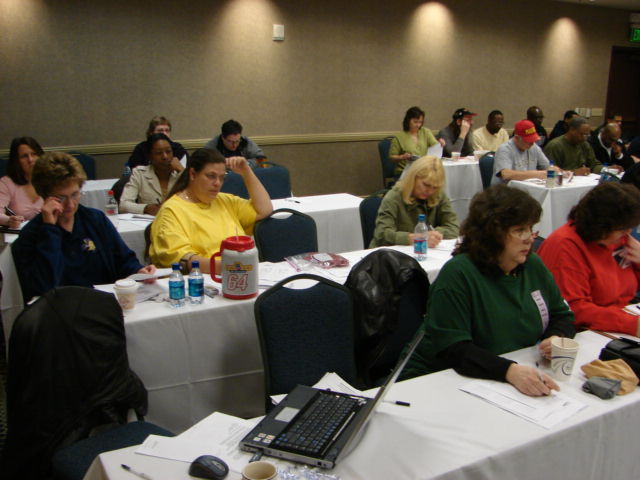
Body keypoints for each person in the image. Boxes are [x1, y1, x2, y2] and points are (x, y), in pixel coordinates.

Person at [402, 185, 576, 397]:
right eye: (519, 230)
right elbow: (453, 349)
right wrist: (509, 371)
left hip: (505, 372)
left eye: (531, 229)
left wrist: (556, 337)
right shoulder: (459, 274)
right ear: (493, 234)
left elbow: (563, 315)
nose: (529, 238)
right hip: (438, 379)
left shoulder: (532, 265)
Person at [12, 152, 155, 302]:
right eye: (61, 198)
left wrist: (138, 270)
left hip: (103, 304)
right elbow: (44, 287)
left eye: (75, 194)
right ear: (45, 196)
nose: (70, 204)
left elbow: (123, 260)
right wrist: (50, 230)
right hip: (60, 309)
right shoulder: (31, 236)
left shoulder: (95, 220)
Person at [538, 182, 640, 336]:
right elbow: (574, 310)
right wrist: (631, 324)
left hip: (620, 318)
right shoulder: (565, 246)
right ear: (601, 225)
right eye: (622, 229)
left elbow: (632, 284)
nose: (628, 232)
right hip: (583, 333)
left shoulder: (617, 238)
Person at [150, 148, 273, 274]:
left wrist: (246, 171)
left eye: (222, 177)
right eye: (211, 176)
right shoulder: (171, 211)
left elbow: (264, 210)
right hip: (202, 278)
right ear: (192, 174)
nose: (217, 183)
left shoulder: (224, 200)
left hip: (237, 272)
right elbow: (183, 259)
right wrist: (233, 267)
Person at [370, 155, 459, 248]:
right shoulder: (394, 197)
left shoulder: (438, 195)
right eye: (426, 185)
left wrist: (435, 234)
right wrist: (415, 238)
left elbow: (453, 227)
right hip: (390, 253)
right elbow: (382, 234)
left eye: (435, 187)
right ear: (413, 178)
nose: (430, 191)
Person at [119, 133, 182, 215]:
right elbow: (123, 205)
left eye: (168, 151)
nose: (165, 157)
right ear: (150, 156)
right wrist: (146, 208)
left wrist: (182, 170)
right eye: (159, 153)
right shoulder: (140, 174)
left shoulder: (180, 174)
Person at [0, 137, 44, 228]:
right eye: (24, 156)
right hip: (19, 234)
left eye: (34, 154)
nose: (30, 160)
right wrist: (9, 220)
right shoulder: (6, 183)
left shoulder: (52, 179)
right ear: (16, 161)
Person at [491, 120, 553, 185]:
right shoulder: (504, 149)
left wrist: (558, 172)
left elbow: (549, 167)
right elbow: (506, 174)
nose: (532, 143)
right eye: (528, 140)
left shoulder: (533, 147)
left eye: (533, 139)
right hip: (506, 189)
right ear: (517, 138)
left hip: (528, 187)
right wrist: (537, 174)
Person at [388, 106, 441, 177]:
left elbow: (435, 146)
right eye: (415, 122)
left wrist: (440, 143)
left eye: (420, 122)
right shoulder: (399, 137)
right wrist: (402, 157)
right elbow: (392, 157)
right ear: (408, 121)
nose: (418, 125)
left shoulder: (426, 132)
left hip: (423, 170)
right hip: (405, 172)